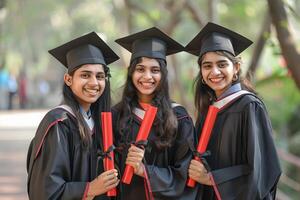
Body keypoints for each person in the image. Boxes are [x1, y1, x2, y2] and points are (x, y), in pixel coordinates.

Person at [185, 22, 281, 199]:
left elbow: (261, 171)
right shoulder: (208, 110)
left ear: (236, 68)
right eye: (207, 66)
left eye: (222, 64)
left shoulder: (249, 106)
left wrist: (211, 178)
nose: (215, 71)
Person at [27, 32, 120, 200]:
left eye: (100, 76)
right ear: (68, 79)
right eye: (85, 75)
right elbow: (45, 190)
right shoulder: (58, 123)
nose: (94, 83)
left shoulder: (102, 122)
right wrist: (90, 189)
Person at [113, 27, 198, 200]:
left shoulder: (179, 118)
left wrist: (145, 171)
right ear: (131, 73)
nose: (147, 76)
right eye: (140, 69)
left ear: (163, 74)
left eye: (155, 70)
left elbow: (185, 174)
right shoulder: (116, 115)